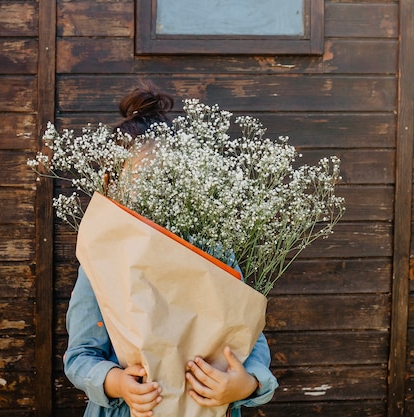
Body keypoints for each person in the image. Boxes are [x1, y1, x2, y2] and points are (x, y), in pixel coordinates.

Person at [63, 81, 278, 417]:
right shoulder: (103, 258)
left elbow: (251, 345)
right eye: (145, 181)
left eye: (169, 179)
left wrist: (246, 385)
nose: (157, 192)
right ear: (112, 184)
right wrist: (117, 382)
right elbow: (80, 356)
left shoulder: (213, 249)